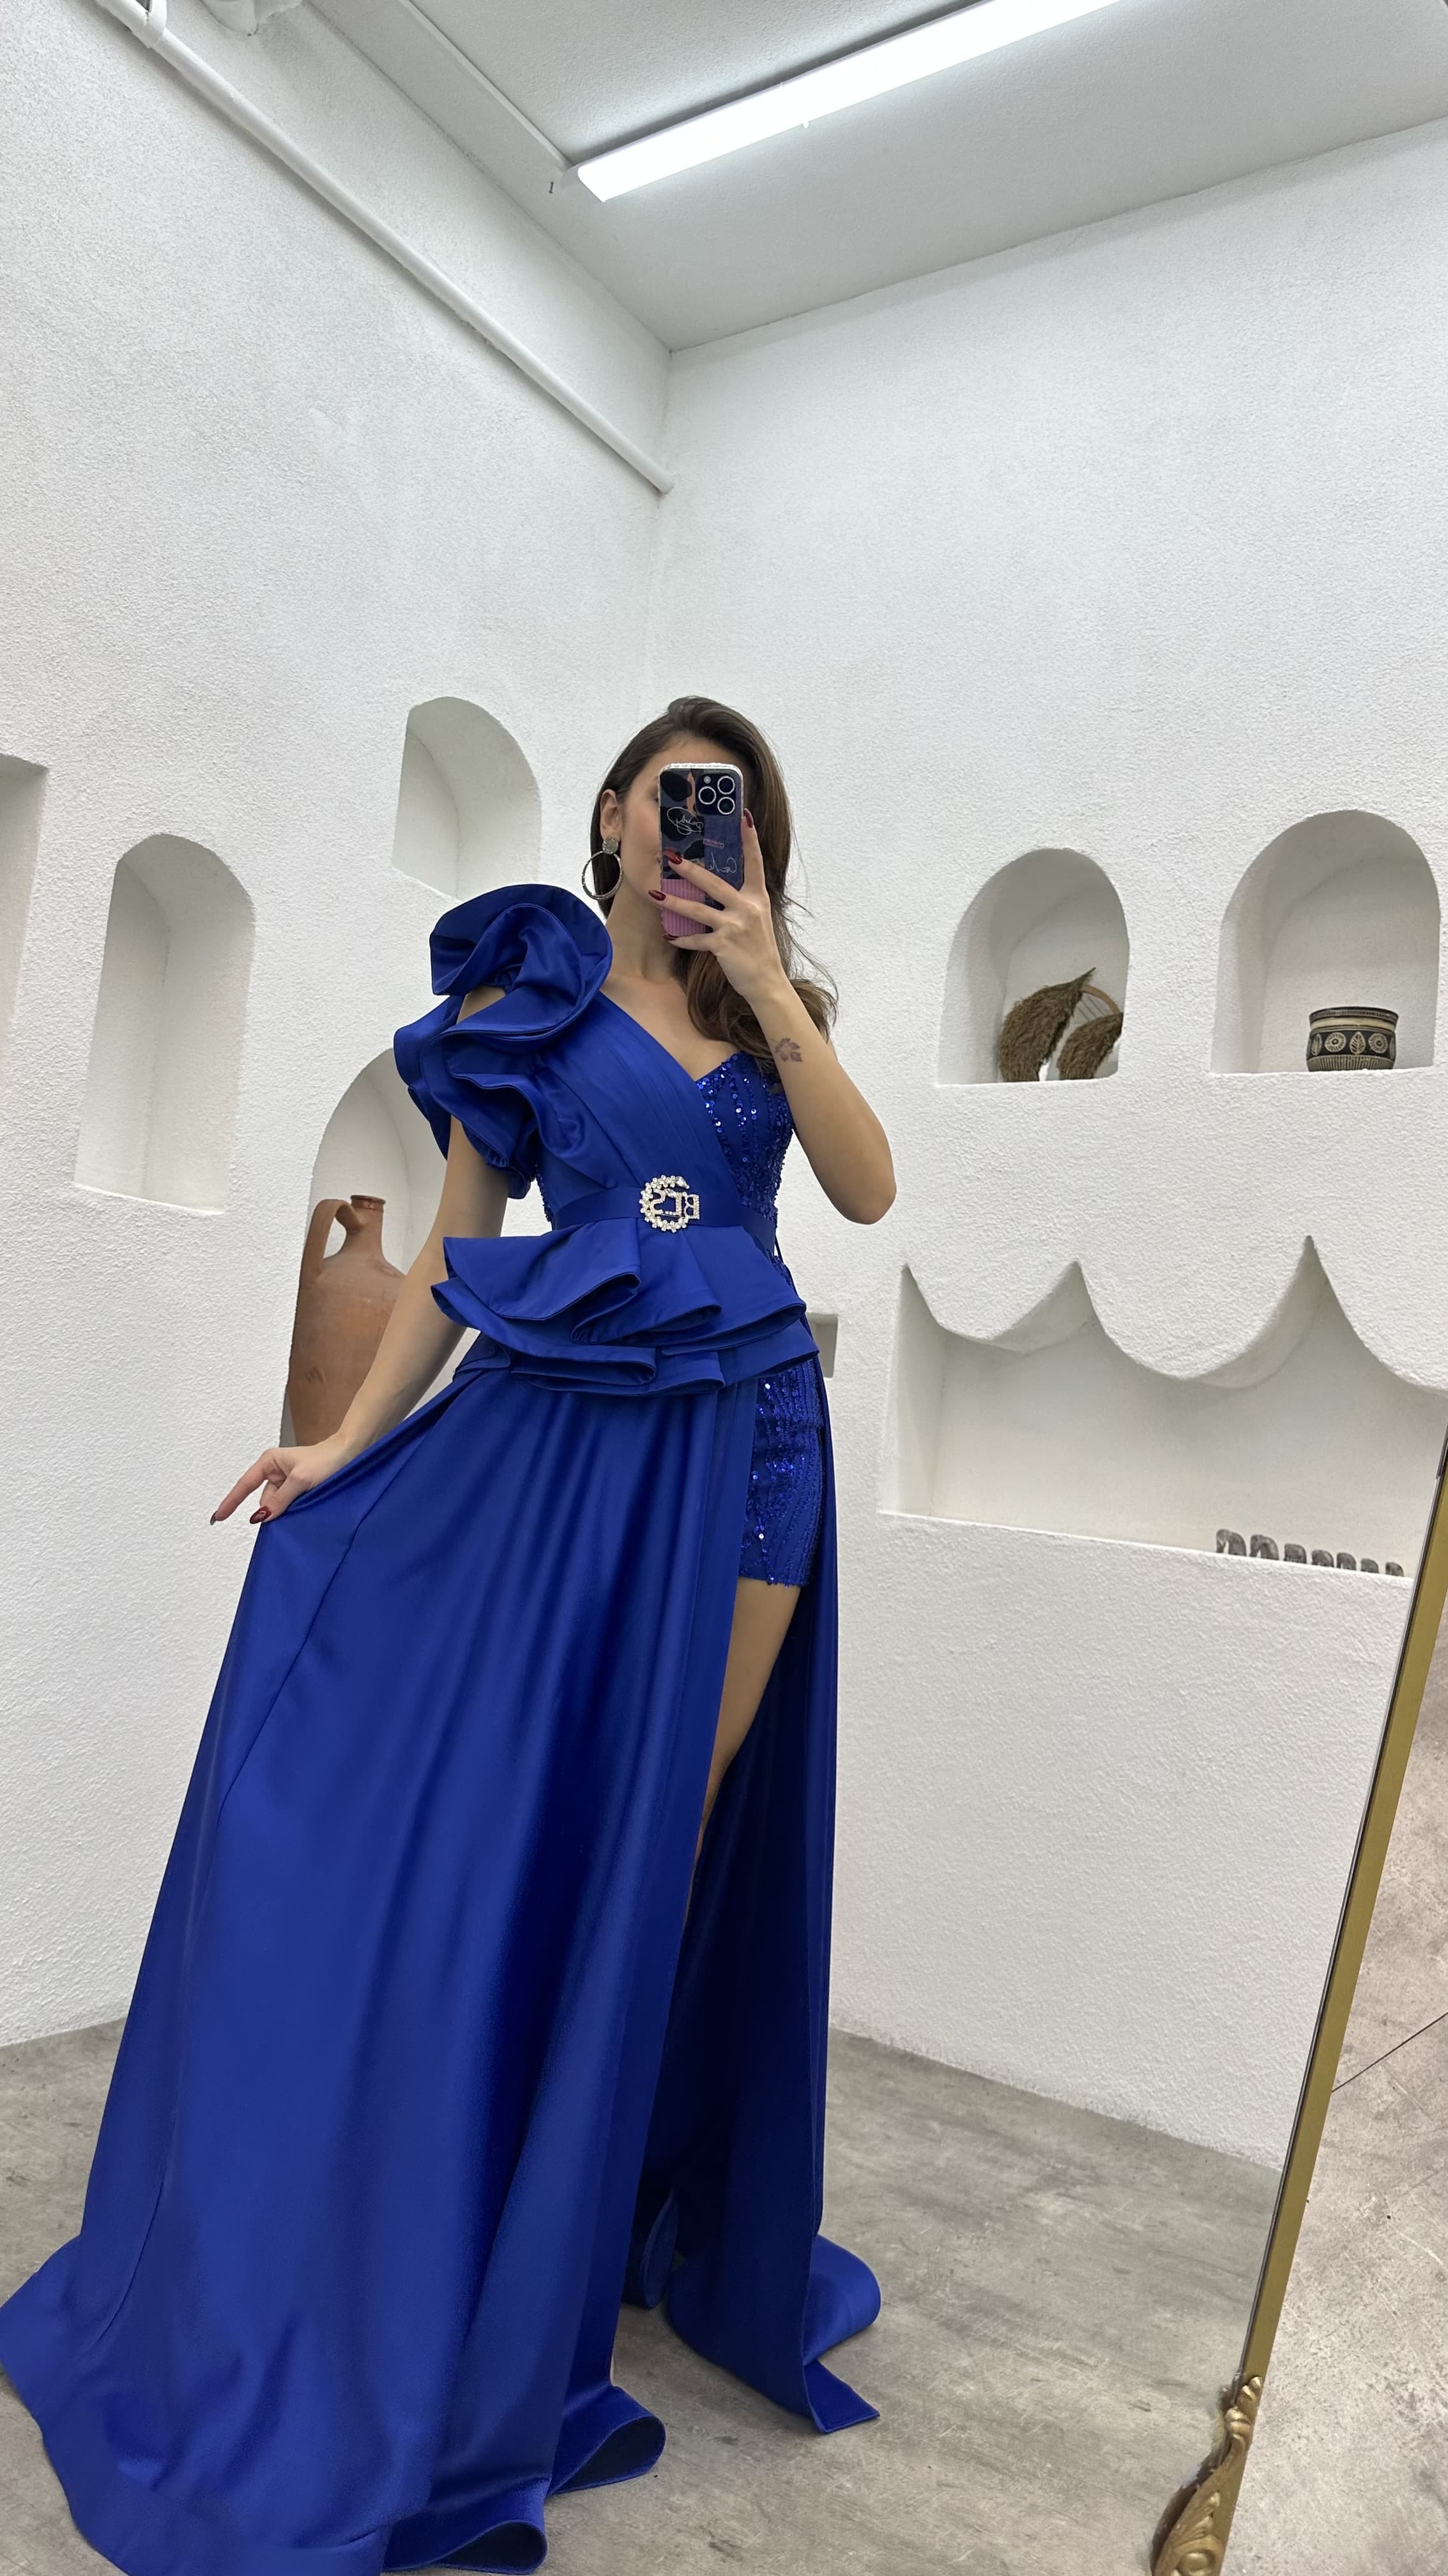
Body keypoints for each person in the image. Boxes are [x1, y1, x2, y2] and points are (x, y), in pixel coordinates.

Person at [0, 696, 897, 2575]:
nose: (692, 829)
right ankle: (461, 2224)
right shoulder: (526, 1002)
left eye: (725, 808)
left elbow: (867, 1188)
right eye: (668, 799)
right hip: (561, 1449)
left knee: (665, 1840)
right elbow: (449, 1249)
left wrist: (767, 981)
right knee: (515, 1833)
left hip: (748, 1449)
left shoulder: (770, 1012)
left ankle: (586, 2214)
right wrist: (343, 1444)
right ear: (610, 813)